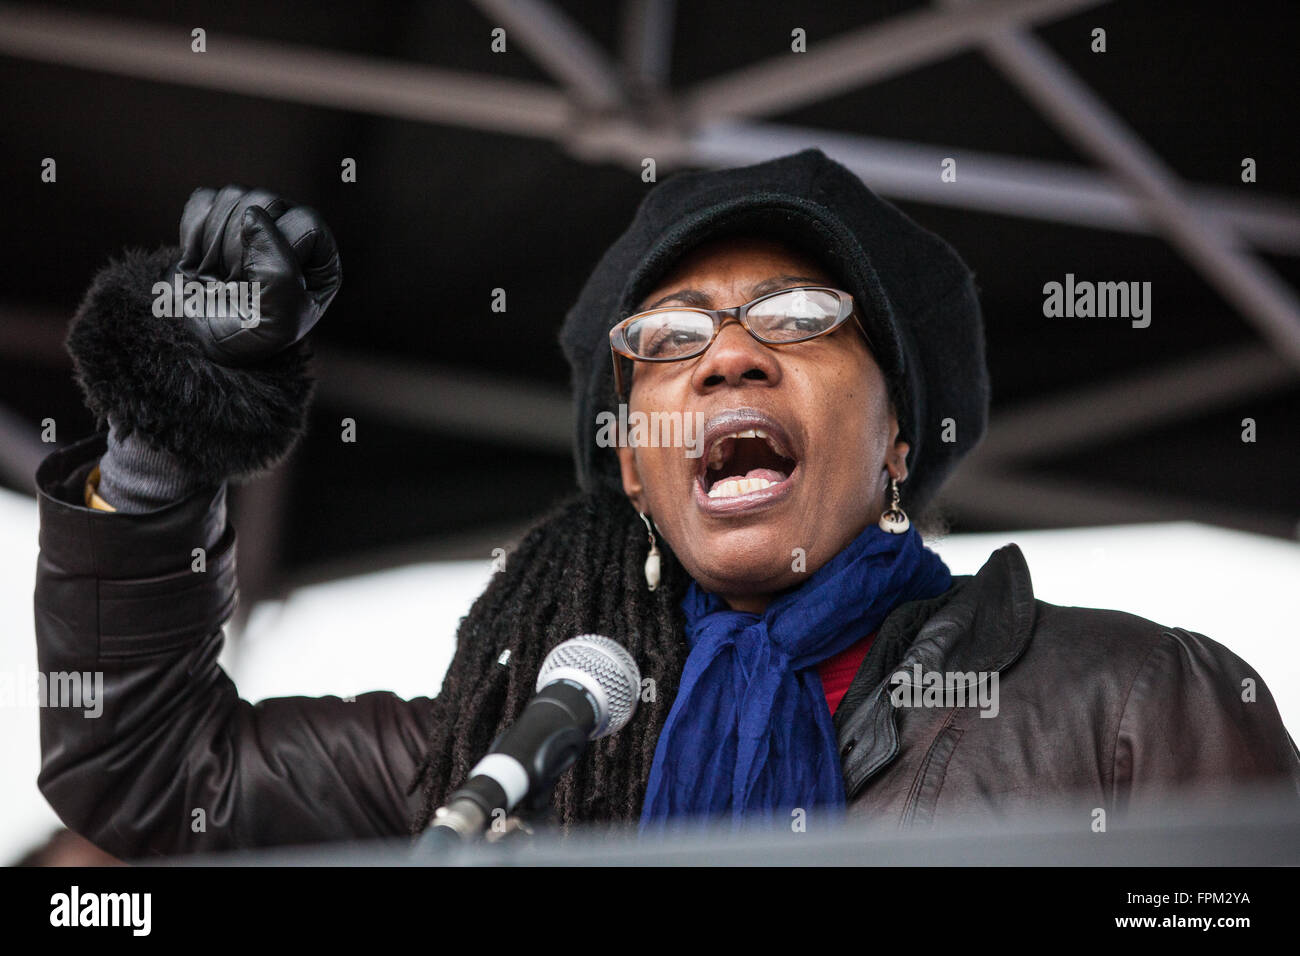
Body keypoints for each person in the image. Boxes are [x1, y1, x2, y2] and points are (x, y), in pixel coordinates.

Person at [33, 149, 1300, 859]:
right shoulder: (515, 744)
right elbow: (145, 770)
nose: (729, 356)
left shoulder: (1133, 703)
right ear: (637, 464)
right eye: (672, 334)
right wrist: (160, 446)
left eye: (800, 318)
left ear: (900, 436)